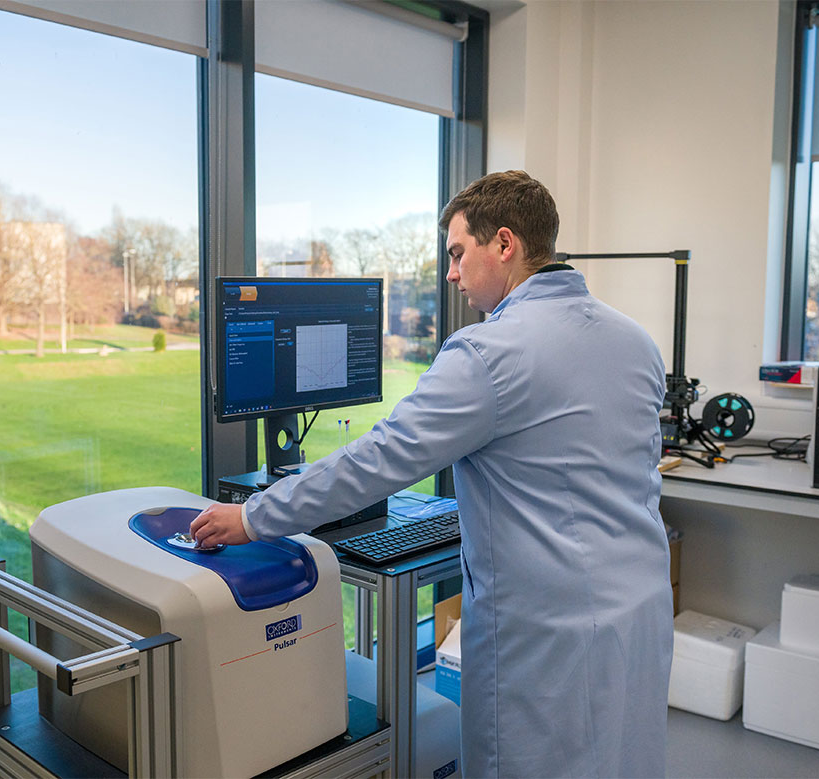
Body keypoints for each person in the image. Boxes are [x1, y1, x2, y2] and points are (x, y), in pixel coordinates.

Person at [191, 170, 674, 778]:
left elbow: (378, 460)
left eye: (456, 253)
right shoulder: (635, 340)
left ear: (504, 244)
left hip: (547, 633)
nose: (450, 273)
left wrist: (254, 516)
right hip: (640, 608)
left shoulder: (488, 354)